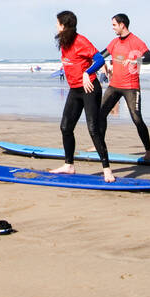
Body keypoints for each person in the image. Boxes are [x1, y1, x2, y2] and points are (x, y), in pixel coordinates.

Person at [50, 10, 113, 182]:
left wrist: (87, 72)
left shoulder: (81, 41)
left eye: (57, 23)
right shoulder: (64, 42)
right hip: (75, 90)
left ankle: (107, 169)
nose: (56, 27)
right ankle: (69, 165)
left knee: (93, 128)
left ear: (64, 25)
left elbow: (100, 59)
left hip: (89, 88)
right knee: (65, 127)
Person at [95, 14, 150, 162]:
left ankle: (148, 151)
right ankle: (99, 145)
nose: (113, 28)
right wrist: (99, 63)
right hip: (114, 85)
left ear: (122, 24)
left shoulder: (136, 41)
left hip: (131, 87)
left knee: (137, 119)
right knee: (100, 115)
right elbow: (100, 55)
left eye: (114, 25)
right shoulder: (114, 42)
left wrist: (135, 59)